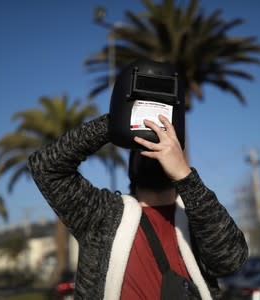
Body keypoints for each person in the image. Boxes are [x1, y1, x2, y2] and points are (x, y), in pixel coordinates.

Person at [27, 74, 248, 300]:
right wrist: (117, 121)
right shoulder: (101, 215)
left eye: (161, 148)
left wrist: (186, 177)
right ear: (131, 165)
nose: (154, 152)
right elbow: (46, 166)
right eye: (143, 146)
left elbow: (230, 260)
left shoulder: (197, 219)